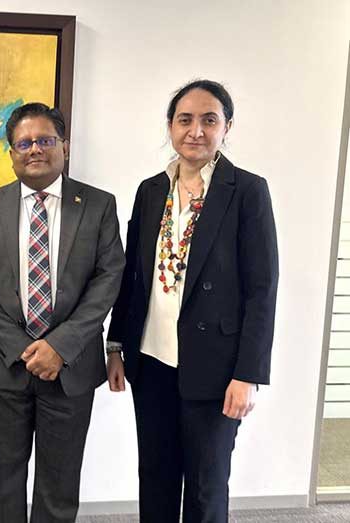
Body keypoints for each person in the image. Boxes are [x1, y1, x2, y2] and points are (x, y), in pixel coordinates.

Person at [106, 80, 279, 522]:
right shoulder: (150, 191)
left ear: (227, 127)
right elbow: (134, 276)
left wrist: (248, 374)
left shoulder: (247, 192)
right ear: (170, 126)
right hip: (152, 362)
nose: (196, 130)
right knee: (157, 477)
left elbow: (263, 289)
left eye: (209, 120)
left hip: (217, 369)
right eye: (185, 119)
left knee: (206, 486)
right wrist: (115, 344)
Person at [0, 102, 125, 523]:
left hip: (71, 368)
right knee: (6, 482)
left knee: (60, 484)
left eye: (46, 140)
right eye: (24, 142)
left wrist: (59, 346)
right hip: (4, 367)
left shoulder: (99, 205)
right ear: (11, 152)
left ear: (64, 146)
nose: (35, 149)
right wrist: (23, 347)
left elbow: (108, 280)